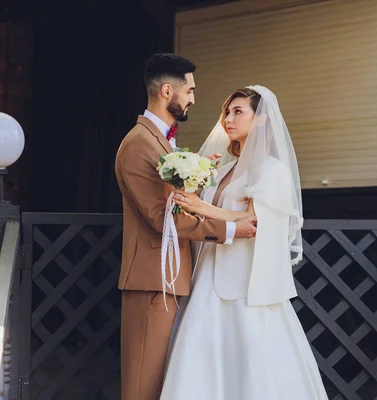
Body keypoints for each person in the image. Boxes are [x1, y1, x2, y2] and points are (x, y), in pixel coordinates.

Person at [160, 85, 329, 399]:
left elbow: (253, 223)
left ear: (261, 119)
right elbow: (208, 218)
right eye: (227, 111)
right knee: (200, 359)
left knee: (252, 361)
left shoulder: (272, 171)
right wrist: (190, 191)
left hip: (246, 285)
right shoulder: (222, 169)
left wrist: (201, 206)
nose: (228, 118)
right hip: (207, 276)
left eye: (238, 111)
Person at [114, 53, 257, 400]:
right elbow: (165, 218)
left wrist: (196, 179)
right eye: (189, 91)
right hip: (152, 281)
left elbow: (173, 201)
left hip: (169, 279)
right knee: (142, 384)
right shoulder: (139, 144)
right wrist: (231, 231)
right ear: (167, 91)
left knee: (161, 380)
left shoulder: (161, 142)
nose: (193, 98)